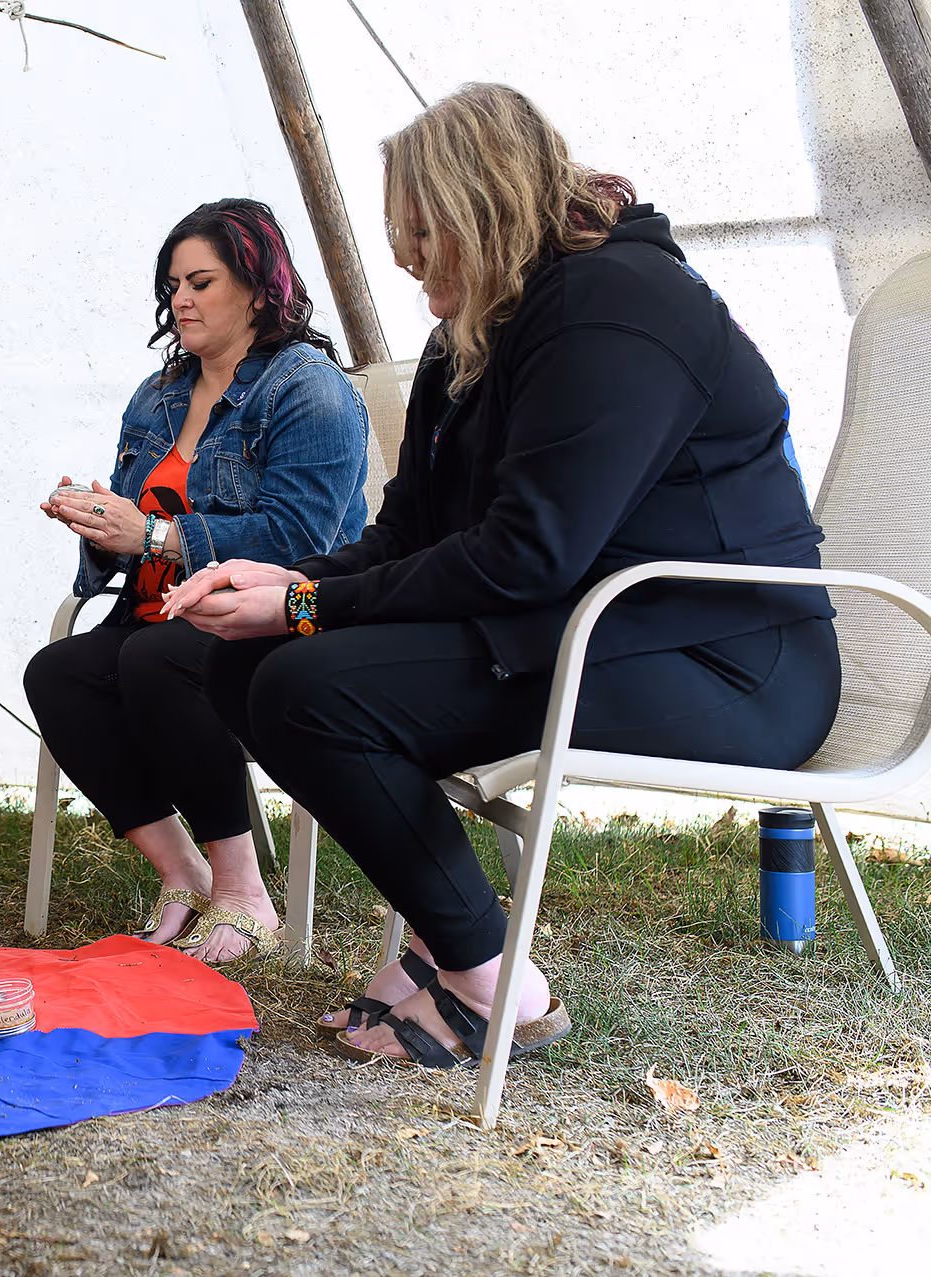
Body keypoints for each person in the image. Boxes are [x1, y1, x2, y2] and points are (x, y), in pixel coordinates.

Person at [165, 84, 839, 1065]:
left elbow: (532, 549)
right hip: (578, 628)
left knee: (313, 688)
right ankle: (452, 947)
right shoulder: (472, 335)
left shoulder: (620, 305)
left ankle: (496, 982)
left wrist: (309, 606)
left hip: (726, 659)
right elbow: (408, 536)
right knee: (245, 665)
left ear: (484, 205)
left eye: (420, 226)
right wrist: (285, 582)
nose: (401, 252)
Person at [23, 198, 370, 964]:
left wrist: (152, 532)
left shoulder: (309, 389)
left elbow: (301, 543)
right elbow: (133, 531)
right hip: (158, 617)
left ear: (257, 286)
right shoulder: (159, 393)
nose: (179, 299)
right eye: (172, 284)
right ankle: (185, 872)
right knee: (57, 672)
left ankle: (246, 892)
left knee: (157, 658)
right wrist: (96, 520)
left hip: (282, 619)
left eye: (200, 281)